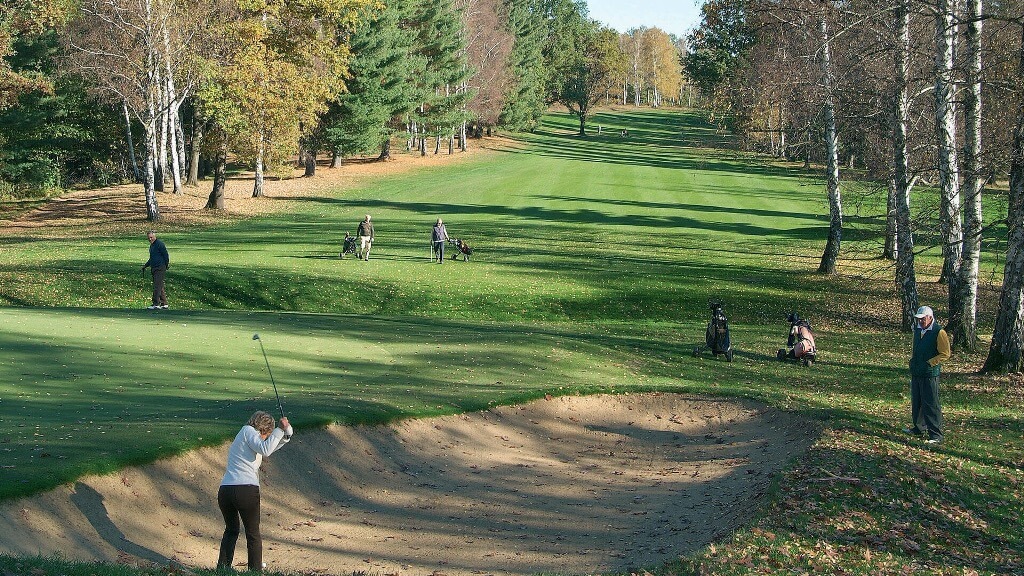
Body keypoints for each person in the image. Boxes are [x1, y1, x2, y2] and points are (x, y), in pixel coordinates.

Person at [217, 410, 293, 572]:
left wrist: (285, 438)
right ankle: (255, 571)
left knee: (231, 530)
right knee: (253, 533)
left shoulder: (245, 436)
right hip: (246, 491)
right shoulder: (248, 432)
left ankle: (222, 569)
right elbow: (266, 449)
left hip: (226, 491)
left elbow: (268, 448)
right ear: (265, 429)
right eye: (270, 433)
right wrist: (280, 430)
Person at [905, 305, 950, 444]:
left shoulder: (939, 332)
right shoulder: (918, 330)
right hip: (917, 370)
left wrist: (930, 362)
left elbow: (945, 353)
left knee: (931, 403)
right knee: (917, 401)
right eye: (919, 319)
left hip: (930, 373)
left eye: (923, 319)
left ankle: (936, 434)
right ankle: (918, 428)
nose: (920, 322)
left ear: (930, 318)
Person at [141, 231, 169, 310]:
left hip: (160, 267)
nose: (150, 239)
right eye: (148, 238)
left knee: (157, 286)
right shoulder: (152, 246)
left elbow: (166, 255)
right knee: (160, 285)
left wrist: (166, 265)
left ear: (154, 236)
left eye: (151, 237)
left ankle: (156, 303)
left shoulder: (159, 244)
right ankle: (164, 303)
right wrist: (145, 265)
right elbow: (152, 258)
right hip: (154, 267)